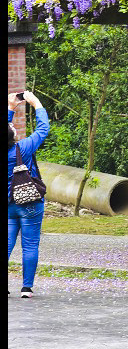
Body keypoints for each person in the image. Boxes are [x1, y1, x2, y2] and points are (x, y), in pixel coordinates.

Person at [8, 91, 50, 299]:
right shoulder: (23, 148)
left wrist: (10, 109)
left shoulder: (17, 145)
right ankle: (26, 288)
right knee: (30, 244)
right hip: (29, 203)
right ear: (13, 136)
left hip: (8, 205)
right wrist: (36, 103)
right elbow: (43, 129)